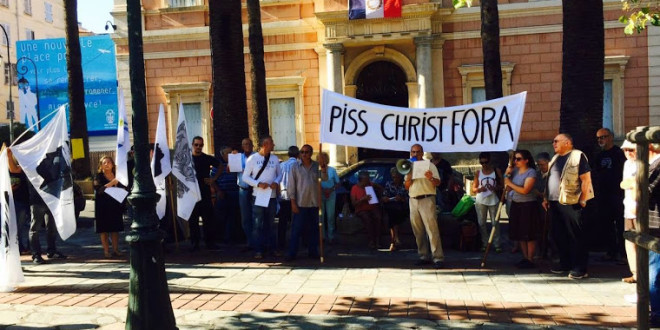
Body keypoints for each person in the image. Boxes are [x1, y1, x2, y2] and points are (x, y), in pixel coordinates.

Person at [543, 133, 593, 280]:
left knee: (576, 235)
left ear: (567, 142)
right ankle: (564, 263)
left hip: (572, 202)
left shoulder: (578, 156)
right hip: (554, 202)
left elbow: (586, 179)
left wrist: (583, 199)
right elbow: (549, 179)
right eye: (553, 141)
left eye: (556, 141)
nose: (554, 143)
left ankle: (580, 268)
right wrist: (546, 197)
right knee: (559, 235)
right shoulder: (555, 158)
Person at [405, 144, 444, 268]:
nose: (415, 154)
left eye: (418, 152)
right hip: (413, 200)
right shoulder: (407, 166)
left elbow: (438, 183)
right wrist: (409, 177)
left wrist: (431, 177)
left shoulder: (430, 165)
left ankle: (438, 257)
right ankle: (423, 255)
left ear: (422, 153)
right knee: (418, 230)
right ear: (411, 153)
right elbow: (406, 186)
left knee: (432, 229)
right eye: (413, 152)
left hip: (427, 199)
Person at [242, 136, 282, 259]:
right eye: (271, 143)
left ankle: (272, 248)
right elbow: (245, 177)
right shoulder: (252, 159)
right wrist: (258, 184)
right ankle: (258, 249)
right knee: (257, 223)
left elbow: (280, 174)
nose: (274, 145)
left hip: (272, 196)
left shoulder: (274, 159)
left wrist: (276, 181)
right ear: (265, 144)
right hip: (258, 196)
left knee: (271, 224)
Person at [593, 128, 626, 262]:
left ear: (611, 137)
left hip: (618, 195)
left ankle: (624, 254)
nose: (601, 140)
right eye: (598, 138)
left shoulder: (619, 153)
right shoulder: (599, 156)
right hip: (603, 195)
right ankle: (611, 251)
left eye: (603, 137)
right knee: (606, 224)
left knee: (621, 225)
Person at [504, 150, 540, 268]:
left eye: (519, 159)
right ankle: (525, 257)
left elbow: (525, 190)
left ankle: (531, 258)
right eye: (515, 159)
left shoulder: (531, 173)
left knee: (529, 233)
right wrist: (507, 174)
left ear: (526, 160)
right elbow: (508, 188)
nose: (516, 161)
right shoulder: (514, 171)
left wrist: (510, 183)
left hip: (528, 205)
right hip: (516, 204)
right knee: (519, 233)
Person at [287, 144, 320, 260]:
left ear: (311, 153)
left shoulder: (317, 166)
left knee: (314, 230)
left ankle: (313, 252)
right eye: (302, 152)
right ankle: (292, 253)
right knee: (296, 230)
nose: (304, 154)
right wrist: (293, 202)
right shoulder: (295, 167)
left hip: (314, 203)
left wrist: (324, 168)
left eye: (307, 152)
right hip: (300, 203)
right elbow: (291, 186)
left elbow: (323, 180)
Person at [189, 136, 221, 251]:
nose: (198, 147)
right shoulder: (187, 159)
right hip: (191, 194)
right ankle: (195, 243)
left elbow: (220, 165)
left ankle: (210, 243)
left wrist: (213, 179)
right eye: (196, 145)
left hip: (205, 193)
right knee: (193, 220)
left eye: (200, 145)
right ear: (192, 145)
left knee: (208, 220)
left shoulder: (207, 158)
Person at [93, 156, 127, 258]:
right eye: (104, 163)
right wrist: (112, 183)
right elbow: (99, 190)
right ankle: (106, 251)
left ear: (112, 164)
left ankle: (116, 250)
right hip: (102, 206)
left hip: (115, 205)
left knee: (115, 229)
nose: (107, 164)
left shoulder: (118, 176)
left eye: (109, 162)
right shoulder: (98, 176)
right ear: (101, 165)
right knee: (104, 230)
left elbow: (124, 188)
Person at [472, 152, 503, 253]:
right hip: (481, 199)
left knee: (495, 223)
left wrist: (495, 187)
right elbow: (473, 188)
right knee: (481, 223)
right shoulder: (478, 173)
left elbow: (502, 185)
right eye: (482, 163)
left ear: (490, 161)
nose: (484, 165)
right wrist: (479, 189)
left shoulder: (496, 171)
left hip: (493, 199)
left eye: (486, 162)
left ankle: (497, 244)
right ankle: (484, 243)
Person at [213, 146, 240, 245]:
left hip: (235, 192)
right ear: (223, 155)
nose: (230, 155)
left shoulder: (236, 164)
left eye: (231, 152)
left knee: (234, 216)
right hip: (223, 193)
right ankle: (222, 237)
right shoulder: (218, 166)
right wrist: (219, 191)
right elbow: (213, 180)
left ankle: (232, 237)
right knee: (222, 216)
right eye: (228, 153)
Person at [646, 143, 660, 326]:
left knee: (654, 271)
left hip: (656, 223)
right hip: (654, 222)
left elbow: (646, 190)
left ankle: (656, 313)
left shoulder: (657, 166)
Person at [7, 148, 30, 255]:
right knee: (17, 227)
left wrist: (8, 154)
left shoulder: (22, 167)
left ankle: (22, 246)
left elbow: (14, 169)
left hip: (24, 200)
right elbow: (12, 169)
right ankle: (18, 247)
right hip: (17, 201)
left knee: (21, 226)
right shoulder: (7, 170)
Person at [620, 140, 637, 284]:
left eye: (631, 149)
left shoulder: (643, 163)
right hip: (628, 206)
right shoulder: (627, 164)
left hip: (641, 210)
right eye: (625, 150)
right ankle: (635, 272)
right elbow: (625, 184)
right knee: (630, 241)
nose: (628, 153)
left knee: (643, 242)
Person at [351, 171, 382, 249]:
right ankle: (371, 241)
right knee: (367, 219)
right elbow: (354, 204)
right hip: (361, 209)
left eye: (368, 180)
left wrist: (378, 195)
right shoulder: (355, 188)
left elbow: (380, 188)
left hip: (372, 207)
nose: (368, 182)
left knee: (378, 217)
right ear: (361, 180)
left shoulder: (370, 184)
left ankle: (378, 240)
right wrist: (363, 199)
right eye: (366, 180)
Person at [234, 138, 256, 250]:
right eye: (244, 144)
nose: (247, 146)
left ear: (252, 145)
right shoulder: (238, 157)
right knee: (245, 218)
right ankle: (250, 241)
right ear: (242, 146)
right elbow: (229, 170)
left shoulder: (257, 157)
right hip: (243, 190)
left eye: (248, 144)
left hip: (255, 190)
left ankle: (258, 241)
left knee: (256, 216)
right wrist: (232, 159)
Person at [381, 167, 408, 252]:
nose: (395, 179)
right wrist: (385, 198)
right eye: (393, 177)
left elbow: (409, 198)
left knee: (393, 215)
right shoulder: (389, 184)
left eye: (396, 177)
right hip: (391, 205)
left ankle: (393, 241)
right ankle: (396, 239)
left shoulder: (405, 184)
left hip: (402, 206)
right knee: (392, 213)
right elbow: (384, 195)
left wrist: (401, 199)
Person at [278, 146, 299, 250]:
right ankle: (295, 242)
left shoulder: (282, 165)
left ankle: (281, 242)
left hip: (283, 195)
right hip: (294, 196)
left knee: (283, 221)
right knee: (296, 221)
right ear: (298, 154)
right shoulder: (298, 165)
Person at [319, 151, 339, 244]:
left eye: (323, 158)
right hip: (320, 194)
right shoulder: (316, 170)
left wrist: (331, 190)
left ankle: (331, 235)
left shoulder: (332, 170)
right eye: (320, 158)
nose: (321, 160)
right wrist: (322, 190)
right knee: (321, 216)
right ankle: (322, 236)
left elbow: (338, 183)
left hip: (331, 194)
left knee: (330, 216)